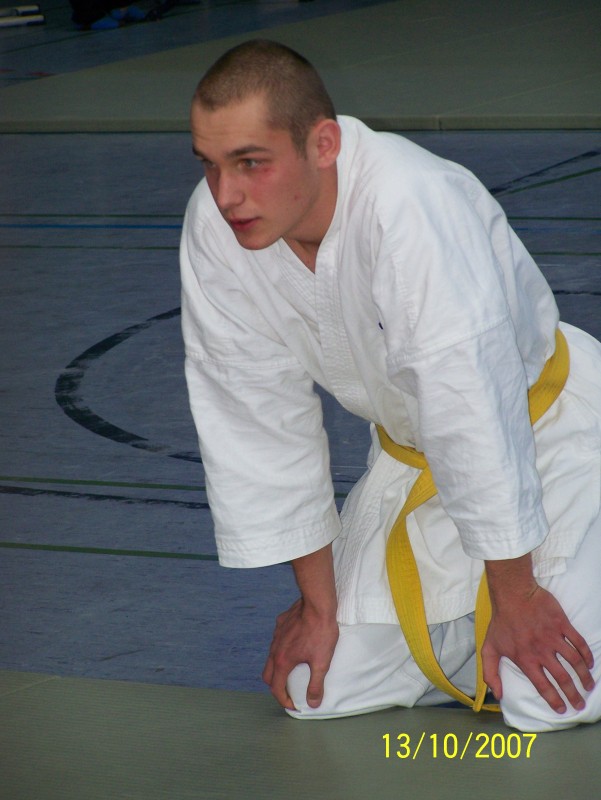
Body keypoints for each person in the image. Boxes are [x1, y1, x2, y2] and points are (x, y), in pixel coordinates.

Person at [180, 39, 601, 732]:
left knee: (546, 699)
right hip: (415, 465)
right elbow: (253, 416)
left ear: (322, 145)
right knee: (313, 688)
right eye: (210, 163)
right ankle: (490, 615)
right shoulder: (216, 227)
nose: (226, 194)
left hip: (544, 440)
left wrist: (519, 598)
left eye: (251, 163)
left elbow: (472, 410)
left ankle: (533, 590)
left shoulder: (410, 205)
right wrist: (318, 606)